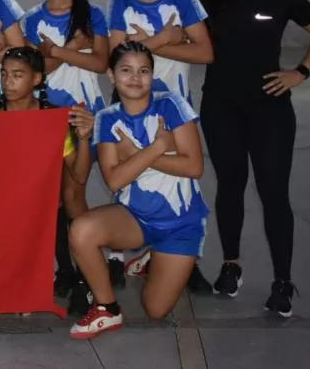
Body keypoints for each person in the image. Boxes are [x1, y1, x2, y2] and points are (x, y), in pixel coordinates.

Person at [199, 0, 310, 316]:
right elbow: (185, 37)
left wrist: (301, 72)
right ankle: (231, 265)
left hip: (270, 111)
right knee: (230, 185)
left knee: (273, 192)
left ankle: (282, 282)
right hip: (221, 108)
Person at [68, 42, 209, 340]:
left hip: (181, 226)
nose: (135, 78)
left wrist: (134, 153)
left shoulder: (171, 105)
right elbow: (115, 181)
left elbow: (194, 167)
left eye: (144, 71)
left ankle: (153, 257)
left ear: (153, 74)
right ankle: (107, 307)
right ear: (111, 74)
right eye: (126, 70)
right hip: (135, 218)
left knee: (155, 310)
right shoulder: (107, 118)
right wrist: (158, 147)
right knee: (81, 231)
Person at [106, 0, 214, 292]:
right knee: (127, 172)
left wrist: (157, 46)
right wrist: (166, 39)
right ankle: (117, 258)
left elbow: (204, 52)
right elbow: (119, 59)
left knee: (184, 179)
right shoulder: (119, 3)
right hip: (131, 106)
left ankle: (184, 256)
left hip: (173, 107)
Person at [0, 46, 96, 334]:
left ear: (36, 79)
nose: (8, 82)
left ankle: (19, 290)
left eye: (17, 75)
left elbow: (80, 174)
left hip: (38, 205)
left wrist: (84, 138)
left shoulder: (54, 119)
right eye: (4, 74)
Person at [22, 0, 109, 298]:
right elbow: (34, 72)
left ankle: (90, 267)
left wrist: (55, 51)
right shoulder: (31, 18)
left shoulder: (93, 15)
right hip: (45, 117)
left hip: (81, 115)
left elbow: (102, 62)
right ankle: (66, 270)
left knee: (74, 194)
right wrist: (73, 50)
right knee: (53, 198)